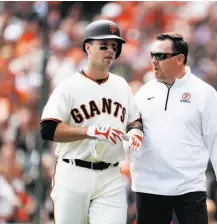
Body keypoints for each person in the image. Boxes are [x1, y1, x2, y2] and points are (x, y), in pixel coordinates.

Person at [39, 20, 143, 224]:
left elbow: (134, 120)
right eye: (103, 46)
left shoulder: (121, 86)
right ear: (87, 47)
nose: (110, 51)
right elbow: (48, 128)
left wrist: (136, 131)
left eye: (114, 46)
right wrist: (90, 131)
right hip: (74, 173)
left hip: (111, 177)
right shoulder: (69, 87)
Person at [130, 32, 217, 224]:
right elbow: (130, 127)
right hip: (149, 187)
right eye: (152, 55)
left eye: (160, 56)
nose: (154, 61)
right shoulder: (144, 93)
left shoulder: (204, 93)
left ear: (180, 59)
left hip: (189, 188)